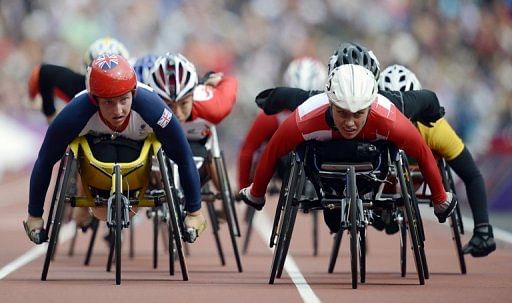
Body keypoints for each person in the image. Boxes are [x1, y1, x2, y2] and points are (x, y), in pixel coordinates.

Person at [239, 64, 458, 228]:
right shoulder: (307, 116)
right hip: (325, 158)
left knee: (427, 100)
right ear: (331, 102)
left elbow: (421, 151)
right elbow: (273, 151)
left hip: (378, 148)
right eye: (342, 112)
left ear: (370, 106)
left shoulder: (388, 116)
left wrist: (439, 196)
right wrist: (257, 192)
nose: (350, 123)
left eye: (358, 114)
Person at [23, 54, 206, 244]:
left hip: (138, 153)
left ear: (133, 94)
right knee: (84, 152)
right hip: (96, 155)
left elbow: (184, 156)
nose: (118, 111)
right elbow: (45, 160)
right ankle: (83, 199)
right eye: (108, 102)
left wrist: (194, 211)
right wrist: (34, 215)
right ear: (94, 100)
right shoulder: (74, 114)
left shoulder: (154, 108)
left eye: (123, 100)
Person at [378, 64, 496, 257]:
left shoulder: (435, 128)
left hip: (420, 176)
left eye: (407, 107)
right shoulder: (370, 120)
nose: (401, 117)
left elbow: (471, 174)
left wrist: (483, 229)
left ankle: (482, 232)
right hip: (383, 180)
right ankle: (382, 217)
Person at [146, 52, 238, 185]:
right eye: (168, 105)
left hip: (197, 145)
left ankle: (223, 189)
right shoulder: (145, 110)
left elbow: (231, 81)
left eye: (183, 103)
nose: (176, 113)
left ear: (193, 95)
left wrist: (219, 80)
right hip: (162, 151)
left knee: (220, 184)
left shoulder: (214, 107)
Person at [237, 57, 327, 193]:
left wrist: (243, 188)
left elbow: (247, 150)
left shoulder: (334, 114)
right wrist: (243, 187)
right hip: (283, 166)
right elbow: (249, 149)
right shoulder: (270, 117)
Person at [27, 37, 130, 123]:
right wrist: (49, 112)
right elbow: (44, 72)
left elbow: (45, 72)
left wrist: (49, 112)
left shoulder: (136, 91)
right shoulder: (79, 87)